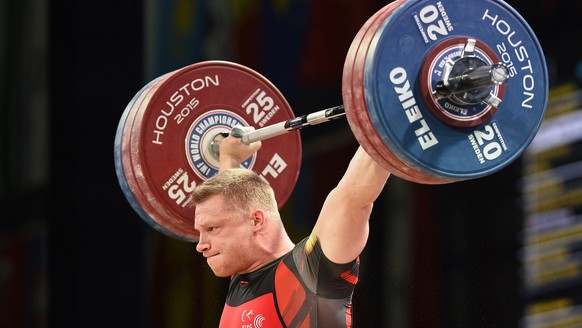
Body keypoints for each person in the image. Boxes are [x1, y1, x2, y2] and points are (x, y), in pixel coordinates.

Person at [191, 129, 390, 327]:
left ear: (257, 221)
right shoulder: (242, 271)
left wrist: (389, 118)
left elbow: (353, 196)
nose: (200, 245)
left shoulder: (309, 275)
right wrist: (230, 158)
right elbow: (229, 205)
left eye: (211, 229)